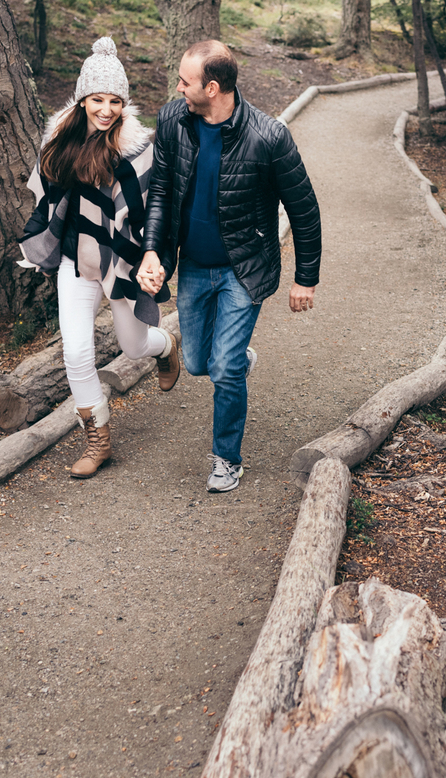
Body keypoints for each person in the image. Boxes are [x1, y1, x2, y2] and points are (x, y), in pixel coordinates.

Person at [137, 39, 321, 492]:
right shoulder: (173, 121)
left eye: (185, 81)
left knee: (222, 369)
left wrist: (306, 279)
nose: (177, 87)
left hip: (245, 268)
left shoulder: (269, 136)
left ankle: (227, 459)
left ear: (213, 86)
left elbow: (305, 210)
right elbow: (159, 192)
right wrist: (151, 251)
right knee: (200, 362)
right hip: (195, 266)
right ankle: (235, 362)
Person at [18, 37, 180, 479]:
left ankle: (166, 345)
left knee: (132, 345)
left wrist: (152, 257)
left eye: (114, 101)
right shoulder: (60, 140)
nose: (106, 109)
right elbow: (49, 199)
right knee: (76, 354)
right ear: (82, 99)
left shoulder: (136, 150)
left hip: (120, 262)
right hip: (76, 263)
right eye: (97, 99)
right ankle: (98, 439)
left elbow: (150, 212)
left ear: (124, 104)